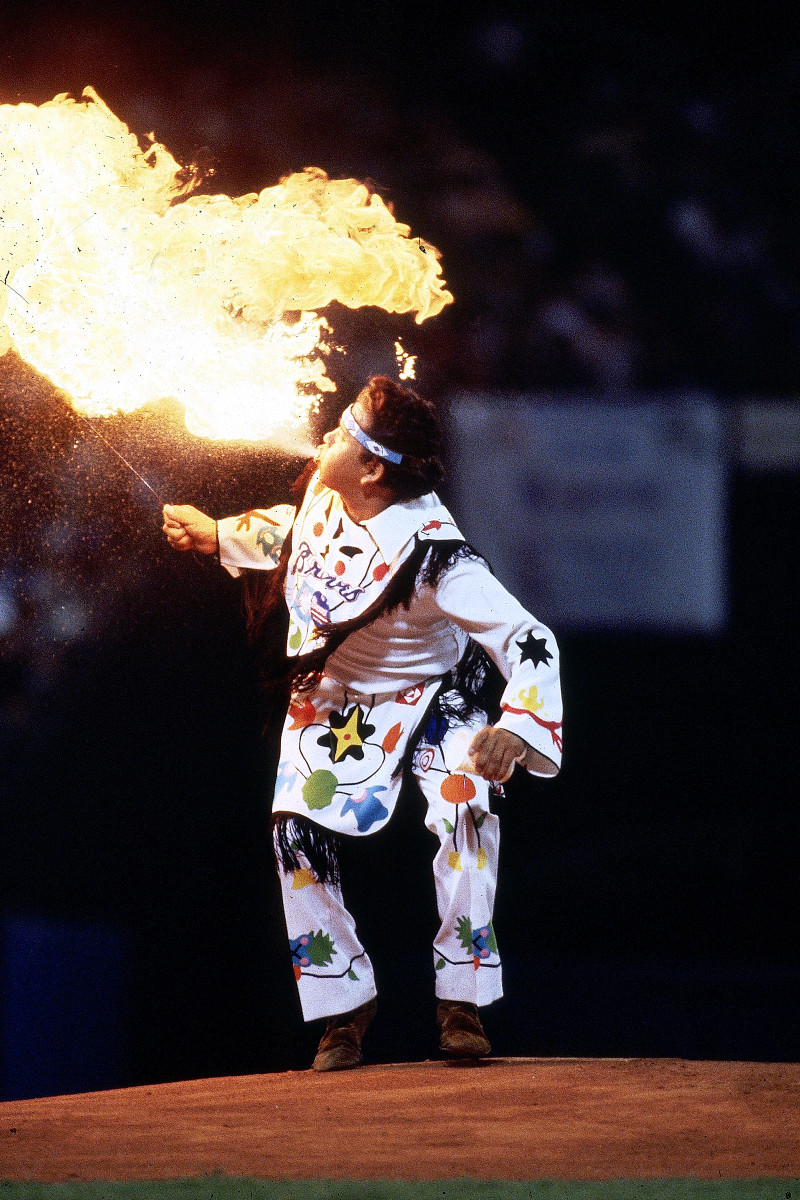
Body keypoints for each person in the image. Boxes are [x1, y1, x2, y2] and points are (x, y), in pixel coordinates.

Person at [162, 376, 562, 1070]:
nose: (327, 431)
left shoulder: (442, 557)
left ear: (374, 467)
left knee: (464, 810)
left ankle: (461, 998)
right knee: (293, 829)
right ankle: (343, 1005)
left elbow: (530, 639)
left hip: (436, 693)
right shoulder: (327, 485)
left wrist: (515, 727)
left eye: (346, 427)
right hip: (341, 699)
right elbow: (303, 539)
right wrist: (219, 535)